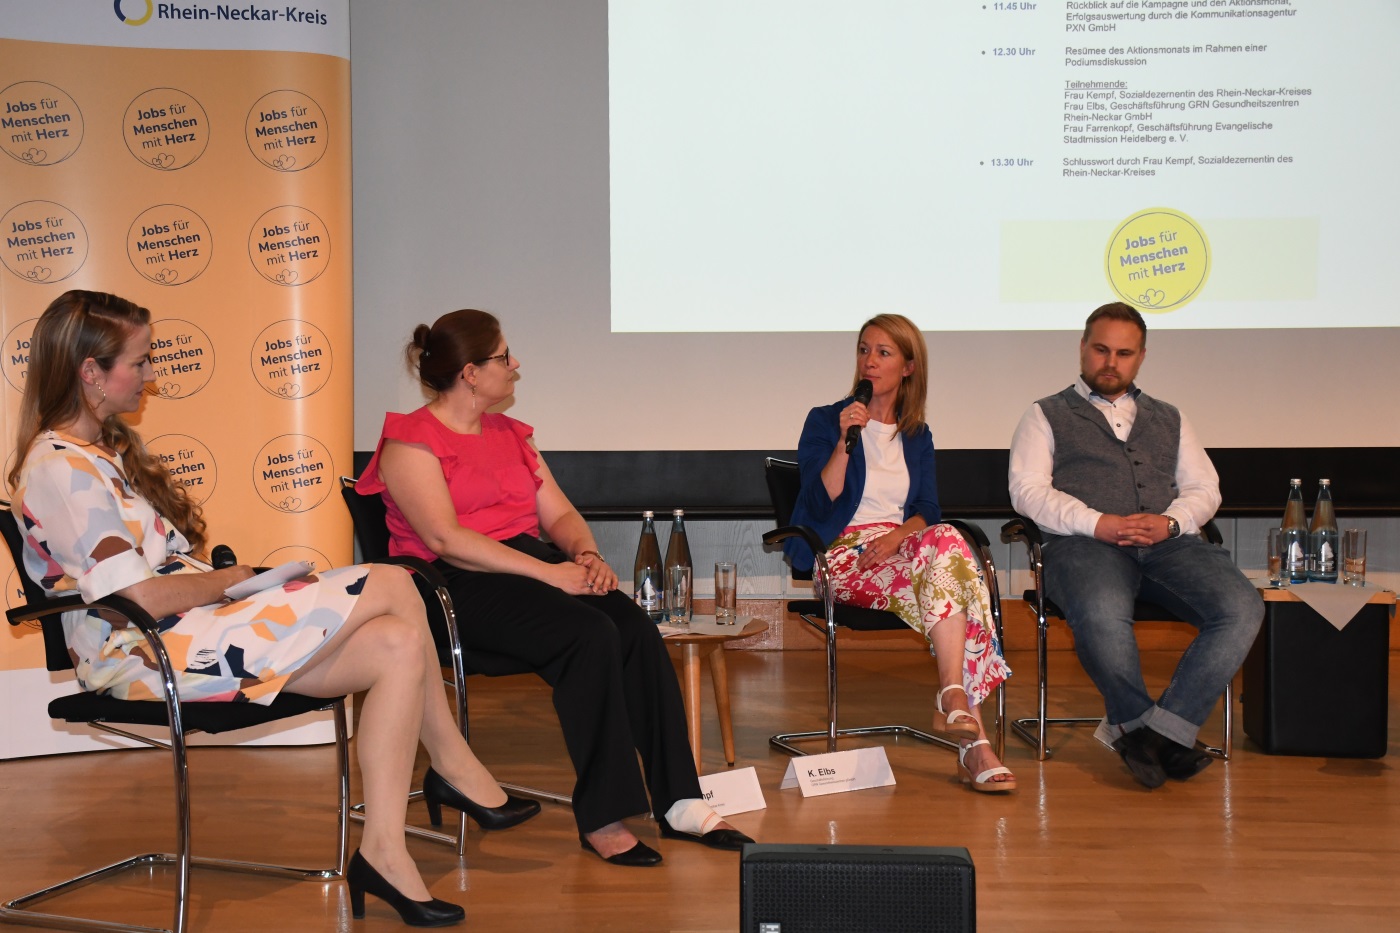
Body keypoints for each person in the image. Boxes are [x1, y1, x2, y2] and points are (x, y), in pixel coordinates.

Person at [12, 290, 542, 928]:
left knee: (399, 643)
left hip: (189, 635)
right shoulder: (59, 469)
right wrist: (231, 582)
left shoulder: (100, 456)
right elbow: (138, 600)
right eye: (141, 361)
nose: (153, 374)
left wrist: (237, 587)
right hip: (143, 655)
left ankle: (383, 851)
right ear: (89, 373)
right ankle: (456, 768)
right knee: (398, 584)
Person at [356, 308, 754, 867]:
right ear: (470, 372)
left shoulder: (511, 435)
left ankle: (680, 799)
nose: (514, 364)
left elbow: (559, 513)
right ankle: (604, 818)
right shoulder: (410, 440)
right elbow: (445, 538)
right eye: (502, 356)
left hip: (521, 564)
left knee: (633, 626)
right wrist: (550, 574)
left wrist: (585, 556)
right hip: (445, 587)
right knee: (587, 634)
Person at [1008, 301, 1264, 789]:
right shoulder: (1045, 414)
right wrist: (1096, 522)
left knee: (1242, 607)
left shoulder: (1170, 416)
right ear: (1083, 348)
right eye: (1101, 349)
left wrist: (1171, 523)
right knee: (1101, 610)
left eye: (1124, 353)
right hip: (1084, 545)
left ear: (1141, 356)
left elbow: (1205, 489)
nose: (1111, 362)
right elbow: (1027, 491)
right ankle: (1140, 725)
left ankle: (1158, 734)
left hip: (1169, 546)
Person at [786, 313, 1015, 793]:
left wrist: (897, 538)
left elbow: (928, 509)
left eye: (883, 353)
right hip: (844, 556)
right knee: (957, 583)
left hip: (904, 550)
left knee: (947, 544)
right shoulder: (827, 420)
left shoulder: (916, 433)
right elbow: (815, 501)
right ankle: (972, 739)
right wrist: (846, 442)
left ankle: (956, 701)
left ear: (908, 367)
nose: (869, 361)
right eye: (864, 349)